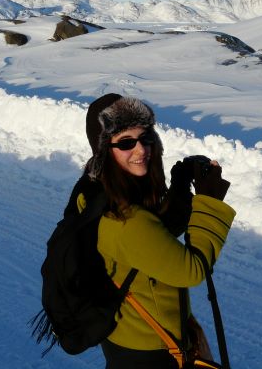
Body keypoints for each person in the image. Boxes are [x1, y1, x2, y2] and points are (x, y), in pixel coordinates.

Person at [75, 93, 236, 369]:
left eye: (145, 138)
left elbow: (155, 236)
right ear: (104, 148)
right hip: (151, 348)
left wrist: (180, 186)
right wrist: (209, 203)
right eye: (126, 142)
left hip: (123, 332)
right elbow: (192, 269)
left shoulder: (93, 188)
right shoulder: (125, 219)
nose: (141, 150)